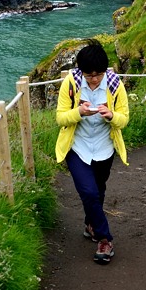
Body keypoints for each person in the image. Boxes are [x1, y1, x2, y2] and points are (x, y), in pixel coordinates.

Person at [55, 40, 129, 264]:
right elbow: (60, 117)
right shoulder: (71, 83)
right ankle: (105, 239)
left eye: (97, 74)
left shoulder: (115, 85)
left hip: (104, 147)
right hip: (77, 147)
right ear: (81, 72)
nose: (93, 79)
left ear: (104, 70)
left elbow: (124, 119)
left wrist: (111, 116)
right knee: (88, 192)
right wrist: (78, 112)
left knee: (98, 190)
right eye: (88, 75)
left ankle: (91, 224)